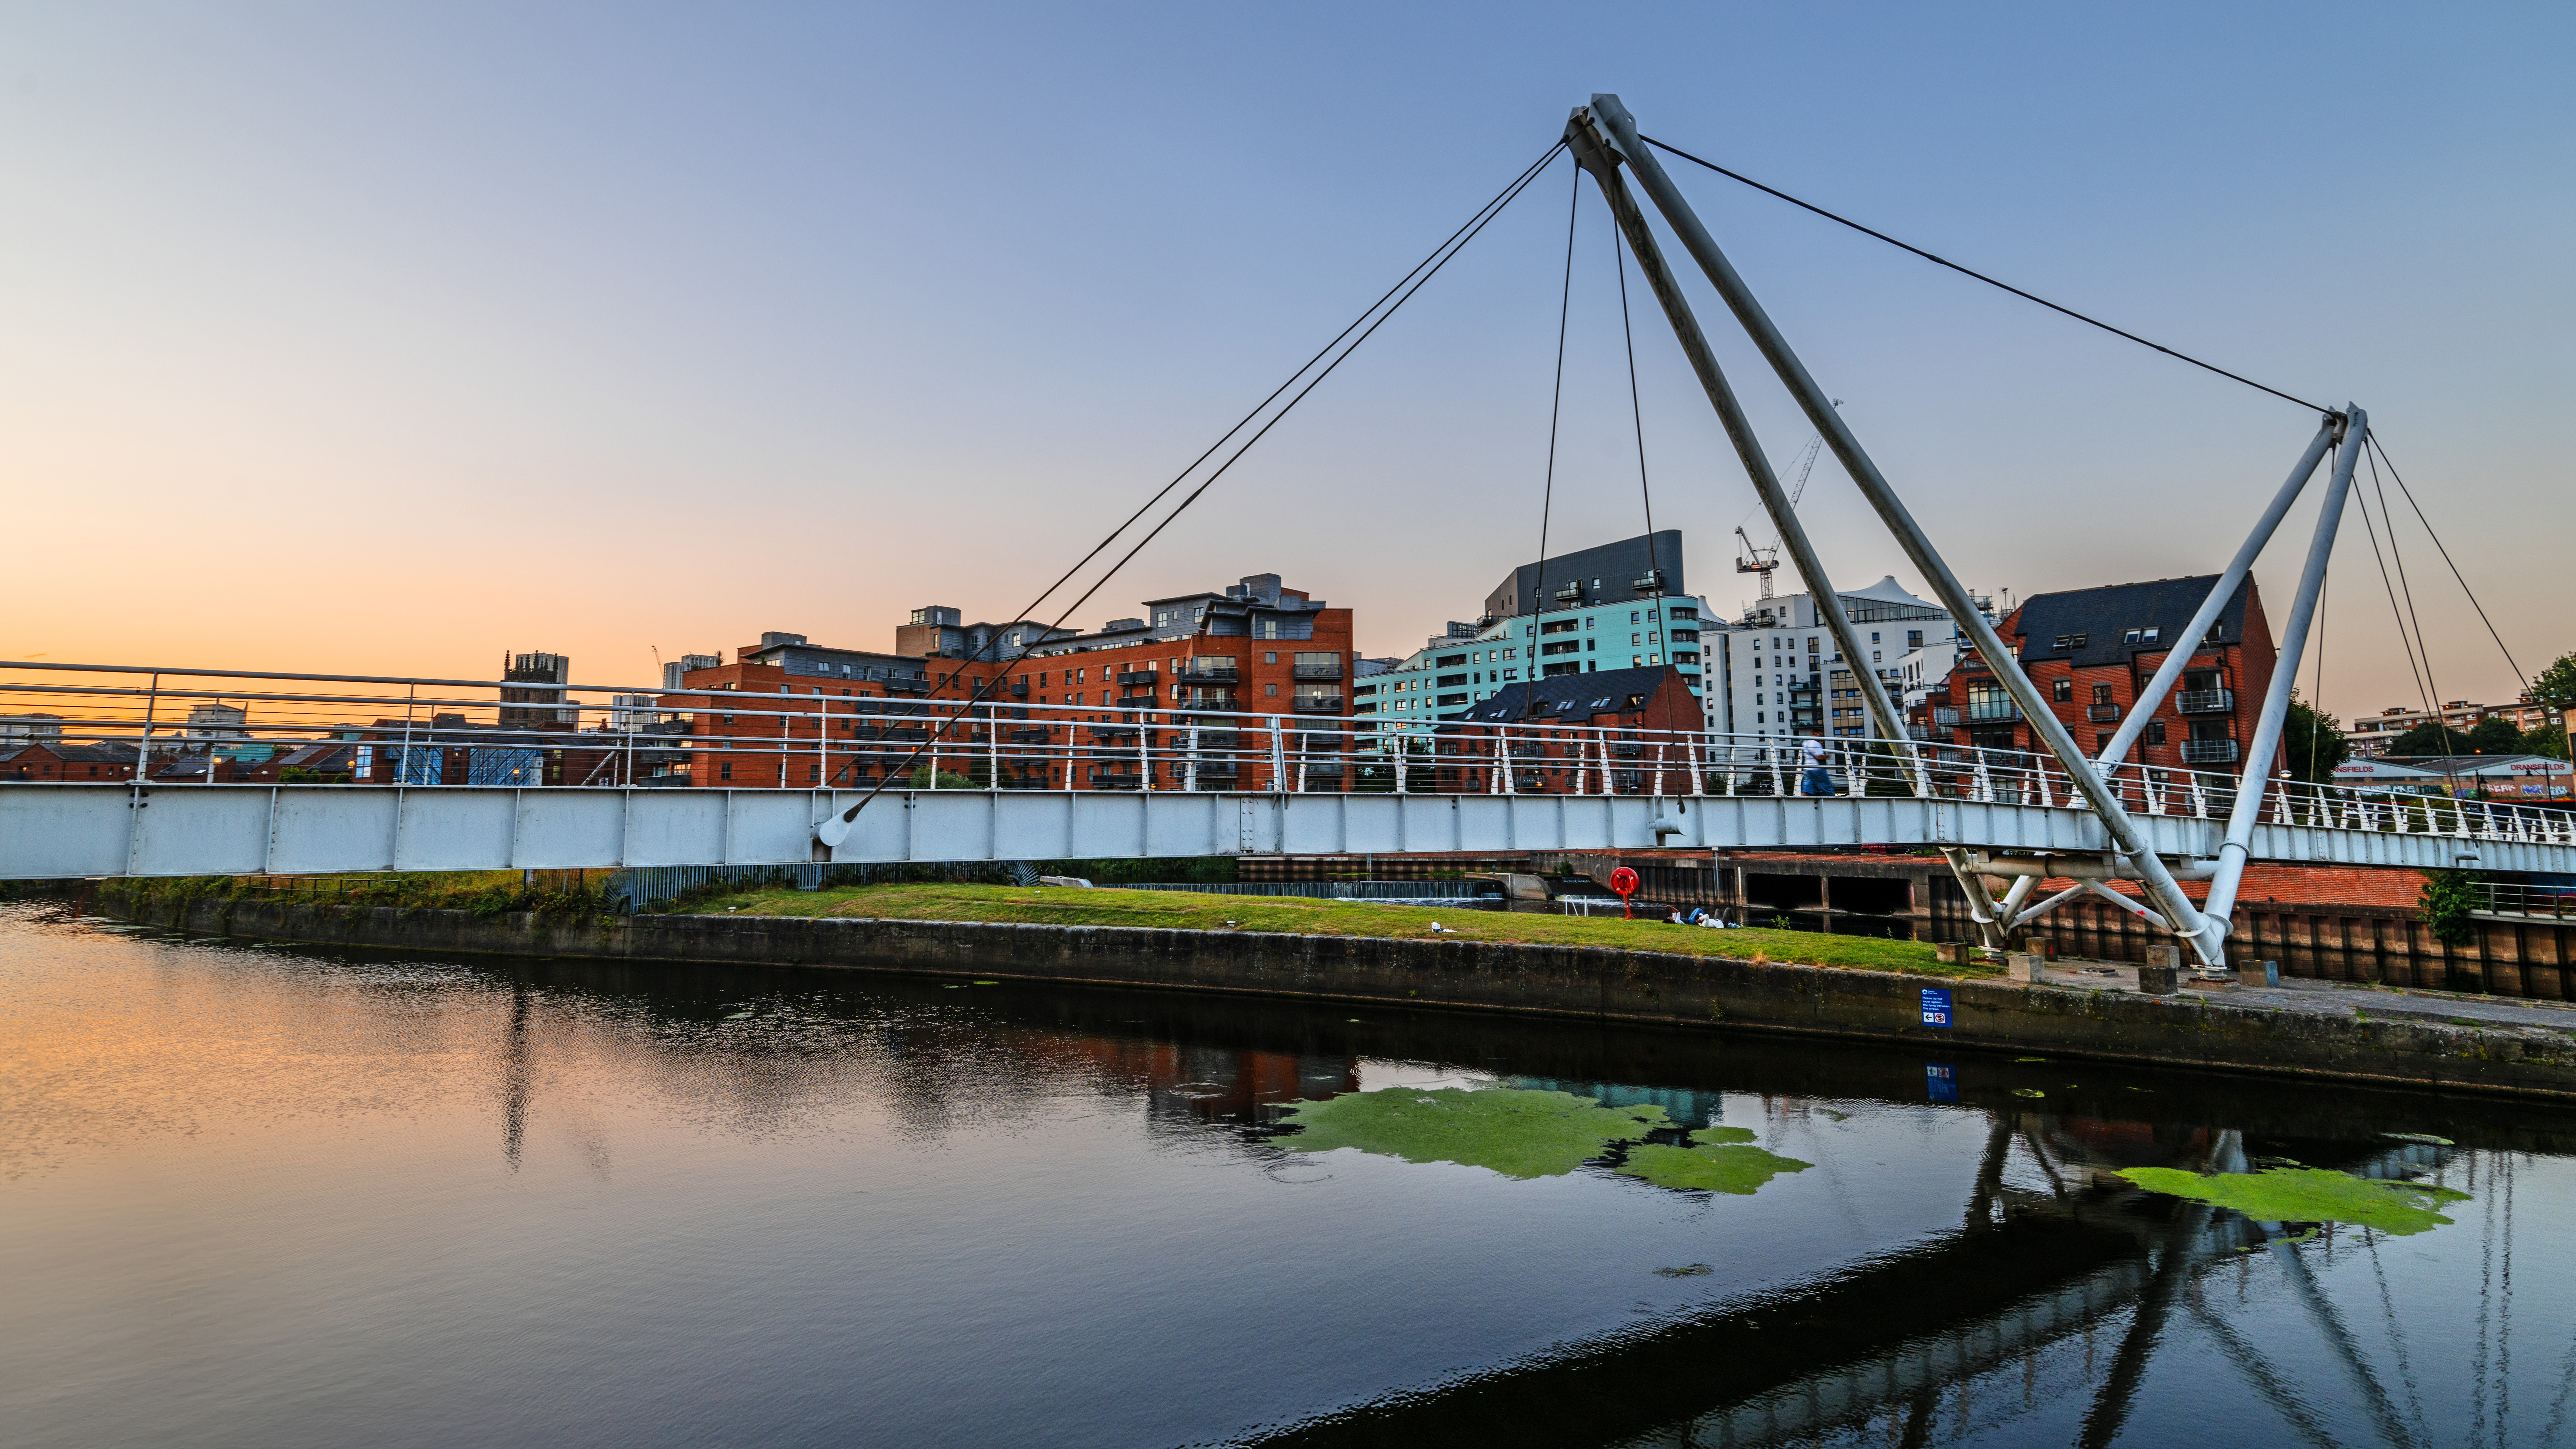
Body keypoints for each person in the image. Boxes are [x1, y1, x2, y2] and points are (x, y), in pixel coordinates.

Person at [1800, 731, 1836, 797]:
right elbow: (1820, 757)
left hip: (1807, 769)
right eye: (1819, 734)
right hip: (1817, 769)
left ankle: (1802, 803)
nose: (1820, 736)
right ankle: (1835, 805)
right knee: (1828, 789)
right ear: (1813, 734)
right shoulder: (1817, 744)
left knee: (1807, 789)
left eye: (1822, 735)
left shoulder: (1805, 743)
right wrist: (1828, 756)